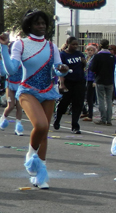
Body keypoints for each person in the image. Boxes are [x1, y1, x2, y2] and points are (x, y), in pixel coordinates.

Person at [0, 10, 69, 189]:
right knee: (41, 125)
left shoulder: (51, 46)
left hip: (48, 91)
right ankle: (31, 155)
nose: (42, 26)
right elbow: (11, 70)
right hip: (27, 90)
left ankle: (41, 174)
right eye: (38, 23)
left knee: (44, 134)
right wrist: (3, 48)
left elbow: (57, 69)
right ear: (29, 25)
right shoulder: (20, 45)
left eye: (44, 24)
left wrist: (62, 69)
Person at [53, 36, 86, 134]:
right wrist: (62, 84)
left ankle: (75, 126)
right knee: (64, 103)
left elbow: (83, 66)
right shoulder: (62, 55)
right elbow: (60, 70)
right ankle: (57, 119)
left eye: (77, 44)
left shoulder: (79, 54)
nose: (75, 46)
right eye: (73, 44)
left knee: (78, 104)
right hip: (68, 82)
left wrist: (84, 63)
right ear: (68, 44)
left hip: (79, 82)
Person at [0, 40, 25, 136]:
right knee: (10, 106)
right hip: (10, 85)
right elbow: (3, 73)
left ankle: (18, 127)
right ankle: (3, 119)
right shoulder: (8, 59)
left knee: (19, 106)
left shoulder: (23, 60)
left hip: (20, 85)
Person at [89, 39, 116, 125]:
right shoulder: (112, 57)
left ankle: (103, 118)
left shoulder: (97, 56)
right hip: (110, 80)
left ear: (100, 46)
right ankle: (109, 120)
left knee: (100, 100)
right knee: (109, 100)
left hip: (100, 80)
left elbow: (92, 68)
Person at [81, 43, 98, 122]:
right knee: (83, 96)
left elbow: (96, 70)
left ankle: (90, 114)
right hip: (85, 78)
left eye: (92, 50)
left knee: (89, 98)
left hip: (91, 79)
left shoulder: (94, 59)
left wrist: (95, 80)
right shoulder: (86, 58)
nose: (90, 52)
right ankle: (85, 111)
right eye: (88, 50)